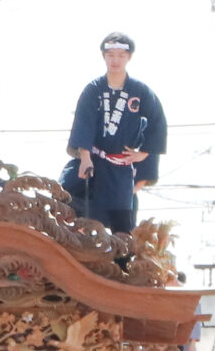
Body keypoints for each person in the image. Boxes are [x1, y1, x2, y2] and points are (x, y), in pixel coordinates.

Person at [66, 32, 167, 235]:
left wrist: (143, 154)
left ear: (129, 57)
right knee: (69, 199)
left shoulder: (141, 91)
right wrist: (85, 158)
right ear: (104, 56)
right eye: (111, 55)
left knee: (121, 222)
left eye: (121, 55)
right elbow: (83, 122)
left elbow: (157, 123)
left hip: (121, 167)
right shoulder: (93, 90)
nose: (115, 60)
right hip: (94, 161)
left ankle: (120, 262)